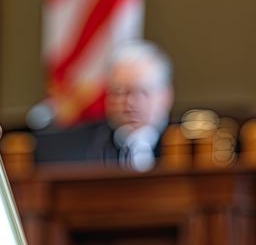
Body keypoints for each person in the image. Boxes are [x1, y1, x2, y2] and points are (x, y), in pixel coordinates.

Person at [34, 40, 174, 170]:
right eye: (119, 92)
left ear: (165, 96)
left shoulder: (182, 143)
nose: (130, 102)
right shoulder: (81, 148)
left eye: (142, 92)